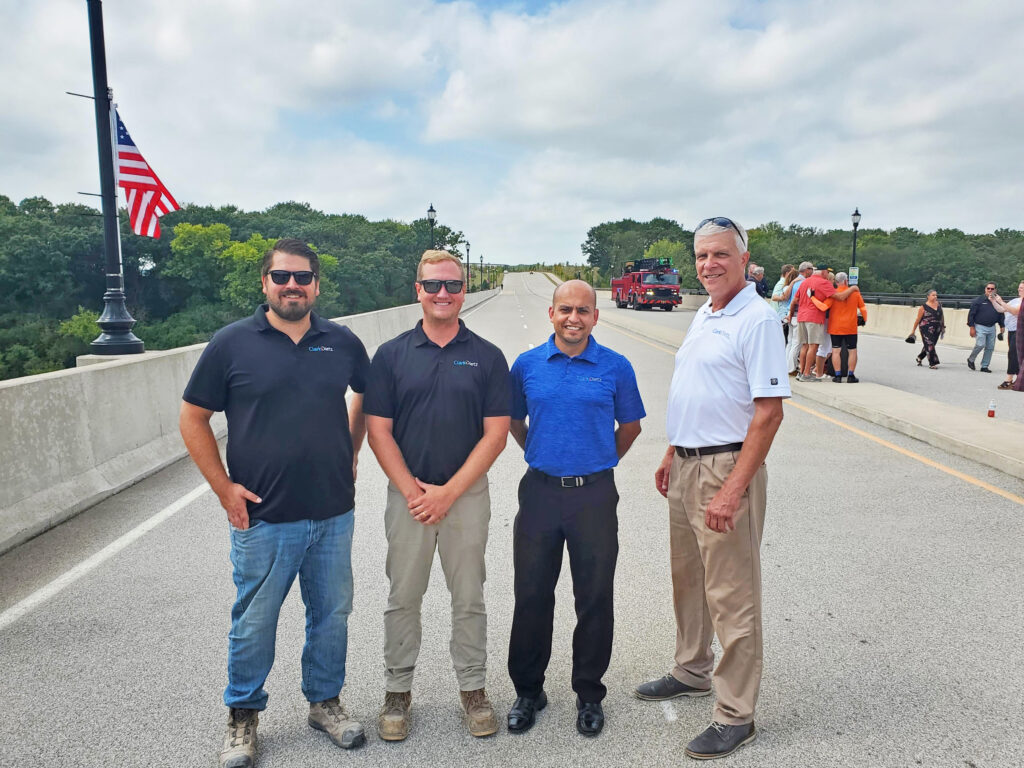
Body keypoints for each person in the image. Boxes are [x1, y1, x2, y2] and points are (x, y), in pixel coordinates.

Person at [179, 238, 370, 768]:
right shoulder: (232, 343)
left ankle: (324, 703)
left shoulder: (342, 341)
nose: (293, 286)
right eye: (282, 277)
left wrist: (350, 452)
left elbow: (367, 397)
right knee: (255, 620)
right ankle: (243, 717)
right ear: (265, 283)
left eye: (303, 277)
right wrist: (223, 488)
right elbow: (192, 419)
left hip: (333, 510)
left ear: (316, 285)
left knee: (331, 614)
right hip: (262, 515)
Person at [634, 217, 789, 761]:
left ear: (744, 259)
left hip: (726, 470)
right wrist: (672, 451)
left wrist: (732, 491)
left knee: (732, 594)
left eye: (719, 254)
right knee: (689, 580)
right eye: (701, 256)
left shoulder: (759, 318)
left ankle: (735, 714)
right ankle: (692, 669)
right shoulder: (706, 311)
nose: (708, 265)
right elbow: (702, 390)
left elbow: (768, 414)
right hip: (686, 464)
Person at [363, 250, 510, 741]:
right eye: (433, 286)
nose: (442, 294)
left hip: (465, 496)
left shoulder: (487, 356)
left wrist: (449, 492)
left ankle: (472, 689)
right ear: (417, 290)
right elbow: (377, 430)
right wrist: (415, 492)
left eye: (452, 285)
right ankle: (397, 692)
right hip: (408, 496)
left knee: (469, 596)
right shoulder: (390, 355)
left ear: (463, 290)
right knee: (402, 596)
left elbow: (495, 434)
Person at [506, 280, 645, 738]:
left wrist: (596, 460)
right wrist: (543, 453)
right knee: (531, 595)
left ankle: (589, 694)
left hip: (595, 496)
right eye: (565, 309)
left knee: (594, 596)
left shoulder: (615, 367)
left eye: (583, 311)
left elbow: (630, 426)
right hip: (541, 492)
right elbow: (512, 420)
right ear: (551, 313)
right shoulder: (526, 365)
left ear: (595, 317)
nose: (573, 318)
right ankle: (528, 690)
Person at [810, 271, 867, 382]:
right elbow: (863, 308)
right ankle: (851, 375)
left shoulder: (833, 295)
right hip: (851, 327)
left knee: (836, 351)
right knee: (852, 351)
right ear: (846, 281)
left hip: (835, 327)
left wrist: (813, 298)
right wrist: (864, 319)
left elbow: (823, 307)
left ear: (836, 282)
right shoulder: (855, 294)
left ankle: (838, 375)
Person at [990, 282, 1024, 389]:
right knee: (1014, 355)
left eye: (1022, 288)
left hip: (1020, 331)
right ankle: (1018, 378)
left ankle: (1009, 379)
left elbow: (1014, 311)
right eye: (1019, 287)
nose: (1019, 289)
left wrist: (1001, 301)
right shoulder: (1015, 300)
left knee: (1013, 354)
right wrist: (994, 301)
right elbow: (1001, 309)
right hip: (1012, 330)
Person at [966, 282, 1004, 372]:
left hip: (992, 327)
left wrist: (1002, 325)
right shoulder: (978, 300)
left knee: (990, 347)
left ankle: (984, 366)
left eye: (992, 289)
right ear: (985, 289)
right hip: (980, 326)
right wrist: (971, 327)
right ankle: (971, 359)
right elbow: (971, 315)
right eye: (988, 288)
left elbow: (1001, 314)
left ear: (995, 290)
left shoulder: (997, 300)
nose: (990, 290)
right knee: (980, 344)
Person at [783, 262, 813, 374]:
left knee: (790, 342)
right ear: (807, 270)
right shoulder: (804, 283)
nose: (812, 272)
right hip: (798, 314)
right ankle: (791, 368)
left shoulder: (794, 282)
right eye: (811, 269)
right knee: (797, 343)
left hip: (790, 314)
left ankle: (786, 365)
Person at [909, 290, 945, 369]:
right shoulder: (923, 307)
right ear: (928, 296)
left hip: (937, 327)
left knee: (931, 345)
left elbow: (941, 316)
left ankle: (920, 357)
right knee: (929, 344)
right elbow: (918, 320)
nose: (935, 297)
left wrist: (943, 326)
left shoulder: (939, 304)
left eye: (936, 295)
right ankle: (932, 363)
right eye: (933, 295)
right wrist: (913, 331)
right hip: (926, 328)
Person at [769, 265, 795, 343]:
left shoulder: (784, 283)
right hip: (779, 315)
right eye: (792, 272)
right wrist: (784, 297)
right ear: (787, 273)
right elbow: (774, 297)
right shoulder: (782, 283)